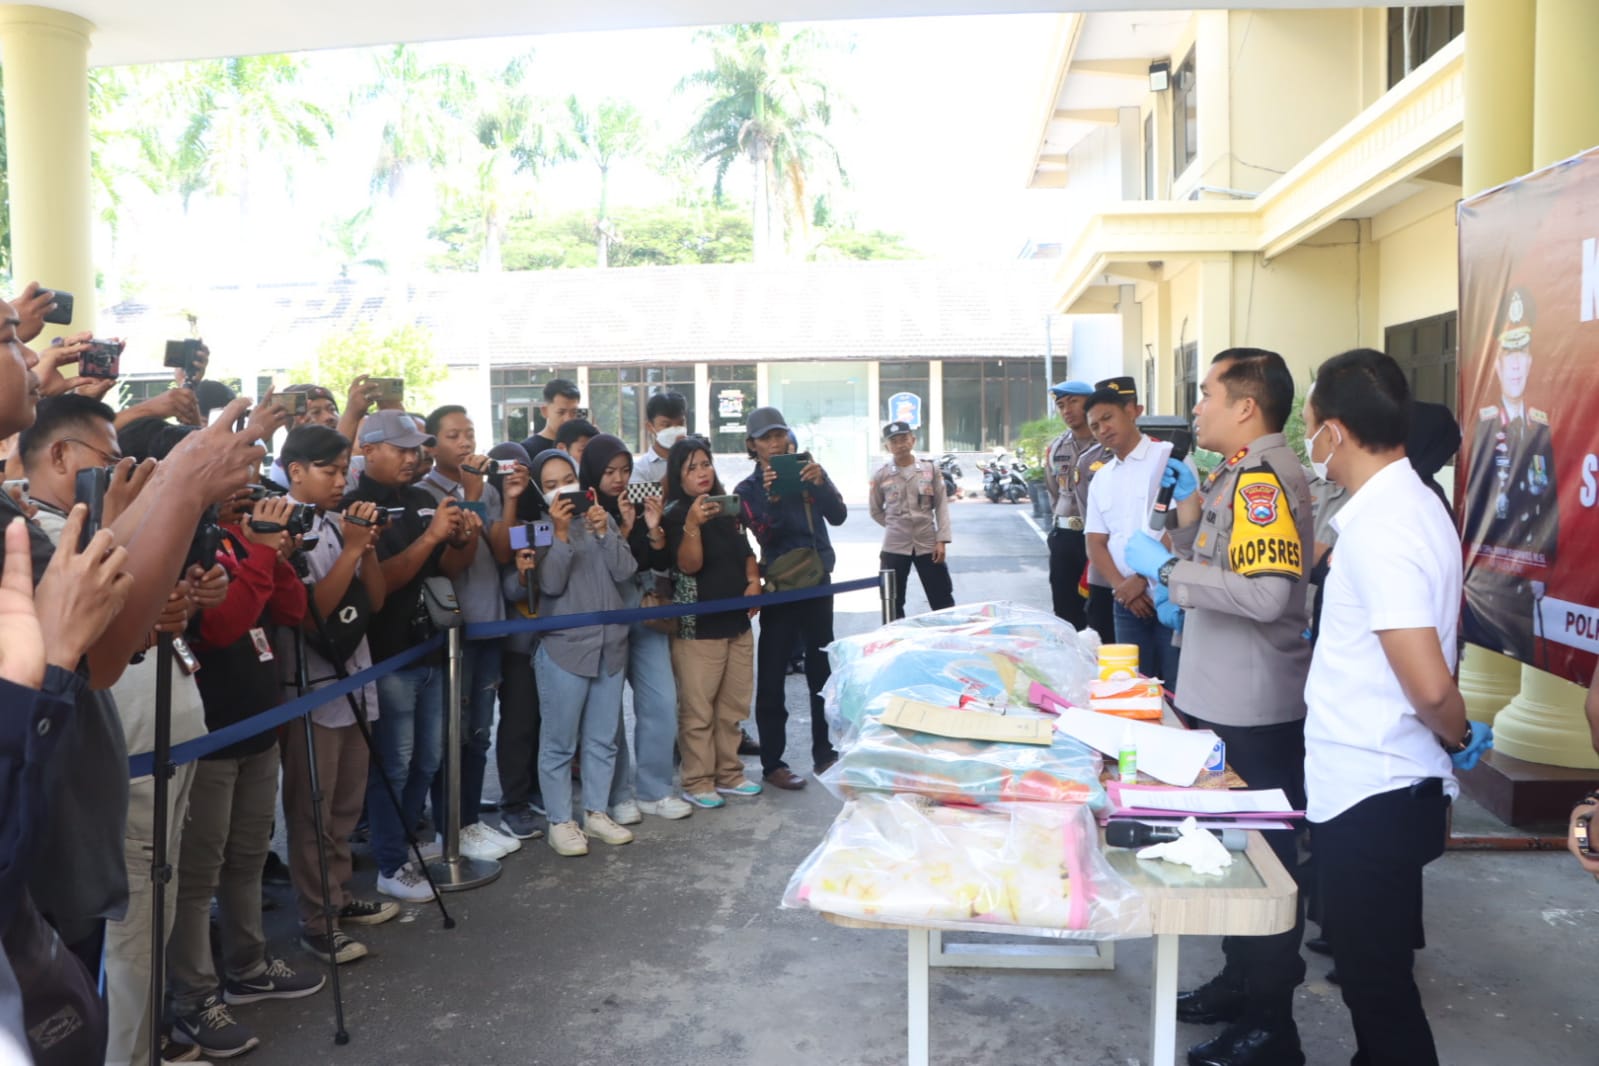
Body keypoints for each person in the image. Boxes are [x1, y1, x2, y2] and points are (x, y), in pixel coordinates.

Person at [1121, 349, 1311, 1066]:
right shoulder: (1234, 472)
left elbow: (1266, 596)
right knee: (1234, 854)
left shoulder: (1262, 480)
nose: (1195, 407)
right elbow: (1220, 561)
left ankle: (1271, 1024)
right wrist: (1181, 523)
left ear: (1245, 406)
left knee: (1263, 866)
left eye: (1206, 394)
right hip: (1222, 691)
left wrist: (1168, 569)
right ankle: (1239, 984)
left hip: (1251, 703)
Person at [1302, 348, 1491, 1066]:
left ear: (1335, 431)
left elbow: (1430, 687)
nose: (1309, 443)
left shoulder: (1384, 528)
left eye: (1310, 427)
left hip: (1373, 786)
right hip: (1371, 780)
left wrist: (1457, 734)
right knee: (1372, 980)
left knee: (1377, 986)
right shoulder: (1404, 505)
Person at [168, 488, 323, 1059]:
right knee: (197, 875)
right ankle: (194, 998)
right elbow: (223, 626)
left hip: (258, 725)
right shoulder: (187, 543)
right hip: (209, 736)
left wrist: (272, 554)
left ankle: (249, 966)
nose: (250, 490)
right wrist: (261, 552)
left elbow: (292, 611)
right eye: (237, 478)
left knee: (249, 856)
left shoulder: (242, 541)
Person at [344, 410, 481, 902]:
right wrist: (431, 537)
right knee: (395, 765)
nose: (412, 457)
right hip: (388, 656)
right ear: (368, 449)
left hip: (432, 648)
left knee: (429, 759)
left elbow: (452, 569)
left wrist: (462, 536)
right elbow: (378, 588)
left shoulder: (423, 499)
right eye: (400, 449)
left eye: (415, 448)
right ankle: (390, 863)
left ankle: (406, 844)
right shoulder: (355, 508)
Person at [275, 425, 398, 966]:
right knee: (313, 810)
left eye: (345, 470)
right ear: (296, 470)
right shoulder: (283, 524)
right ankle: (316, 919)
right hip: (310, 687)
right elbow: (313, 616)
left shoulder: (335, 521)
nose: (341, 480)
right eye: (329, 470)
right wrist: (351, 548)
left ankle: (339, 896)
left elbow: (376, 599)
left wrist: (364, 549)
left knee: (346, 803)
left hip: (355, 678)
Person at [418, 405, 525, 863]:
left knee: (479, 730)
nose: (465, 442)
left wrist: (510, 498)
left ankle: (469, 822)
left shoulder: (488, 487)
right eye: (453, 435)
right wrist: (472, 492)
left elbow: (501, 550)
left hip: (489, 620)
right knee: (450, 735)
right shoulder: (425, 493)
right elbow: (448, 560)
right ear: (432, 445)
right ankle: (450, 828)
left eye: (470, 433)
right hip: (450, 632)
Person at [527, 448, 638, 856]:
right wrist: (559, 534)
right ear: (539, 491)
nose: (562, 490)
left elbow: (626, 572)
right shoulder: (537, 530)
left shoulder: (600, 518)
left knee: (603, 739)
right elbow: (550, 584)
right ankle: (560, 820)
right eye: (551, 485)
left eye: (567, 481)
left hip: (610, 646)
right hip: (565, 649)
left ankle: (596, 812)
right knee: (559, 742)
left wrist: (606, 533)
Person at [578, 435, 693, 823]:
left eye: (625, 470)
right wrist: (623, 531)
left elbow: (657, 563)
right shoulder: (581, 512)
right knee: (607, 712)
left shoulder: (638, 504)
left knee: (661, 700)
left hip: (644, 606)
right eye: (610, 471)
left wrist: (653, 528)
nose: (619, 479)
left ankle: (654, 790)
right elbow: (598, 568)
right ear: (593, 473)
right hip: (602, 613)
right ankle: (617, 795)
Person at [736, 406, 846, 789]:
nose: (775, 443)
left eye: (779, 434)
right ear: (752, 445)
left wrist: (820, 484)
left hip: (817, 582)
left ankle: (824, 752)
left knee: (821, 672)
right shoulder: (747, 490)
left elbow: (839, 515)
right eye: (766, 438)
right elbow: (766, 534)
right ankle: (773, 764)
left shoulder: (808, 471)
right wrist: (773, 497)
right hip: (780, 588)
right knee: (771, 676)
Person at [663, 436, 762, 807]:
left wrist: (753, 580)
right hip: (698, 628)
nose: (702, 473)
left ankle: (729, 774)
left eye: (705, 464)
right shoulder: (676, 513)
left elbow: (746, 551)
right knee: (698, 711)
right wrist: (693, 523)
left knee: (732, 708)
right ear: (679, 475)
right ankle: (697, 780)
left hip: (737, 623)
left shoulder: (726, 507)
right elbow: (689, 565)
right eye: (692, 468)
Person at [1463, 286, 1557, 664]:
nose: (1516, 366)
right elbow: (1474, 500)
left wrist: (1542, 568)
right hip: (1487, 577)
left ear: (1530, 363)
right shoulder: (1483, 426)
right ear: (1498, 366)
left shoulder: (1540, 427)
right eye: (1508, 356)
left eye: (1522, 355)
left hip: (1526, 579)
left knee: (1527, 665)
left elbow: (1549, 502)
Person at [1083, 377, 1194, 685]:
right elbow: (1095, 542)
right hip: (1126, 603)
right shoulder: (1102, 477)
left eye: (1108, 417)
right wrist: (1122, 588)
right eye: (1095, 426)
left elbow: (1182, 525)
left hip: (1171, 595)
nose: (1103, 429)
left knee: (1175, 687)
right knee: (1132, 685)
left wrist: (1142, 579)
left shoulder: (1170, 457)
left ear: (1131, 411)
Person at [485, 441, 546, 840]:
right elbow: (505, 575)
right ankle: (514, 803)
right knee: (519, 723)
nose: (516, 476)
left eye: (522, 468)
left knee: (544, 721)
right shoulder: (494, 514)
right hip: (515, 641)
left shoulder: (544, 513)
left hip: (551, 638)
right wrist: (524, 577)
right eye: (507, 469)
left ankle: (536, 788)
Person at [1041, 379, 1112, 641]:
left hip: (1099, 539)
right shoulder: (1057, 447)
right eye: (1061, 405)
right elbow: (1053, 491)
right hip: (1065, 538)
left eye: (1073, 402)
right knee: (1065, 611)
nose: (1067, 410)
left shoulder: (1108, 445)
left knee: (1099, 610)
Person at [869, 420, 953, 620]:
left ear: (913, 440)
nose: (900, 444)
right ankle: (895, 638)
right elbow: (875, 510)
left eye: (904, 439)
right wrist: (896, 525)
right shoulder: (881, 475)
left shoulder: (930, 470)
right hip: (894, 546)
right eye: (894, 441)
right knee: (893, 603)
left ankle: (949, 635)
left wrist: (941, 540)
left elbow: (941, 505)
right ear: (887, 446)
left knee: (942, 600)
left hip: (928, 544)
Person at [633, 390, 689, 485]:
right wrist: (674, 462)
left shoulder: (696, 459)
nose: (675, 429)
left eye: (681, 423)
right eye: (667, 425)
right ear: (650, 427)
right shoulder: (641, 469)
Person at [521, 378, 582, 457]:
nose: (568, 419)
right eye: (561, 412)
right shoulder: (527, 450)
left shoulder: (582, 447)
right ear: (545, 411)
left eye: (574, 412)